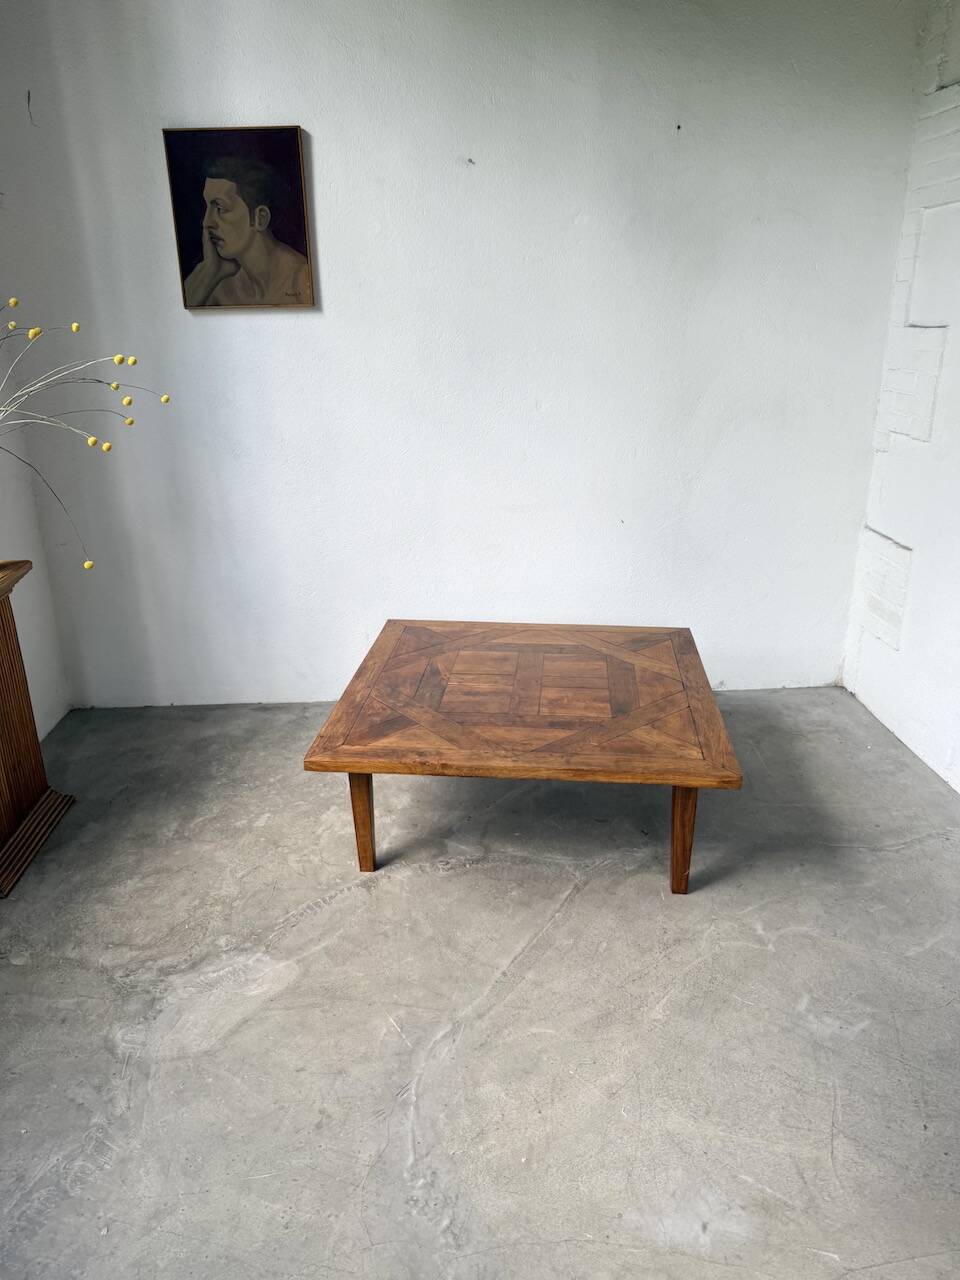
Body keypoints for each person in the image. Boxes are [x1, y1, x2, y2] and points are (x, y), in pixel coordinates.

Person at [183, 156, 313, 307]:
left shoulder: (303, 281)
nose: (206, 222)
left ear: (260, 218)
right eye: (207, 208)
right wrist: (209, 269)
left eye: (220, 208)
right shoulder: (218, 287)